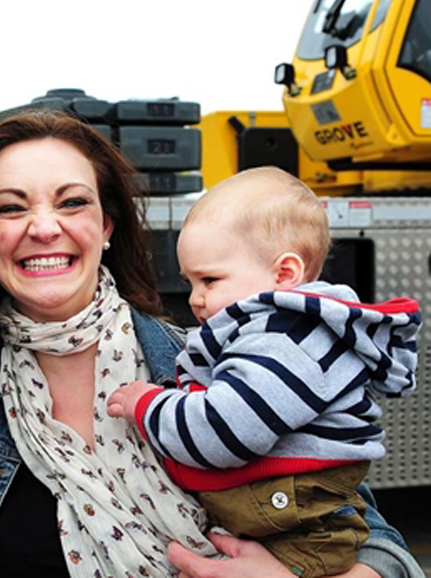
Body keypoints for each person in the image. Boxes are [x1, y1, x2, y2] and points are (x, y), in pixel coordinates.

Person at [0, 111, 425, 578]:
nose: (43, 227)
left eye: (72, 202)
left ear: (106, 226)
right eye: (10, 208)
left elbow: (379, 546)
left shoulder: (216, 364)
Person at [107, 166, 421, 578]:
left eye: (210, 280)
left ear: (284, 273)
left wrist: (147, 404)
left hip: (293, 517)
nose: (196, 300)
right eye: (190, 282)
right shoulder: (273, 331)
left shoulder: (286, 341)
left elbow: (225, 430)